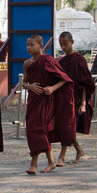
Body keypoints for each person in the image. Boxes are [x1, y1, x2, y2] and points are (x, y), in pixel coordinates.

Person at [22, 34, 75, 174]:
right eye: (27, 45)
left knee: (39, 130)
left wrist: (52, 88)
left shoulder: (48, 60)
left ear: (40, 45)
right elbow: (23, 82)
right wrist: (29, 87)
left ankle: (34, 164)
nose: (28, 47)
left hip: (45, 101)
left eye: (32, 44)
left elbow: (64, 79)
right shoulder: (27, 63)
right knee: (32, 131)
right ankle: (50, 162)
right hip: (33, 100)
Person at [56, 32, 95, 165]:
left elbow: (85, 83)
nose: (63, 46)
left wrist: (83, 103)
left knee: (68, 127)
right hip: (63, 98)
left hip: (77, 98)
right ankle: (79, 150)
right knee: (65, 127)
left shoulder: (79, 59)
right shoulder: (62, 60)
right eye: (61, 44)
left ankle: (61, 156)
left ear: (72, 42)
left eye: (65, 44)